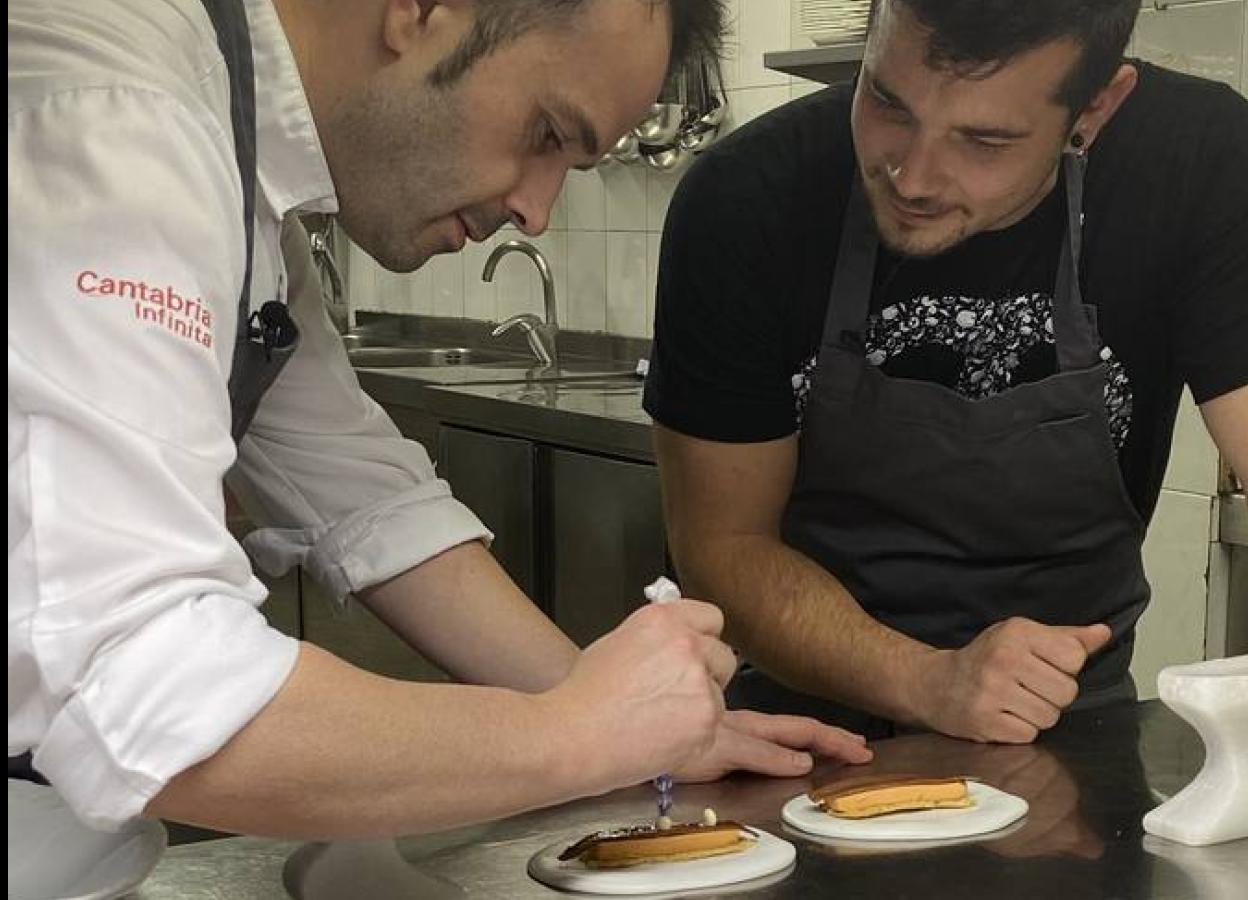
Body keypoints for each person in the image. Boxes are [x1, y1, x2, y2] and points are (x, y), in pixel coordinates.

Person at [8, 0, 873, 841]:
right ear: (421, 10)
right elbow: (134, 680)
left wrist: (644, 723)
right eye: (546, 134)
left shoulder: (240, 172)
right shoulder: (118, 118)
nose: (537, 211)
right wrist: (579, 737)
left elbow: (371, 501)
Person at [645, 0, 1247, 744]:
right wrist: (929, 680)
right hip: (798, 740)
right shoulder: (747, 199)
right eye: (886, 101)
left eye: (985, 140)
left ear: (1096, 108)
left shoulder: (1196, 162)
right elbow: (722, 548)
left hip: (1069, 743)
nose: (913, 177)